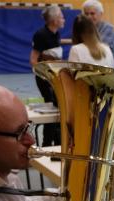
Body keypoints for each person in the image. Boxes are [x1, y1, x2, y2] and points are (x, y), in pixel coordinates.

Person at [30, 6, 65, 147]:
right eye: (61, 17)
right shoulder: (41, 35)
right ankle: (46, 144)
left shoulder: (56, 33)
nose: (64, 19)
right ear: (54, 20)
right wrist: (45, 76)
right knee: (52, 109)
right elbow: (33, 59)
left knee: (58, 108)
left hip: (55, 78)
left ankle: (57, 141)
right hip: (45, 79)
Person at [82, 1, 114, 68]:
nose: (89, 17)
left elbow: (97, 48)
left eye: (92, 13)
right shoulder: (84, 29)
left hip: (109, 69)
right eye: (86, 14)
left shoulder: (109, 29)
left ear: (100, 14)